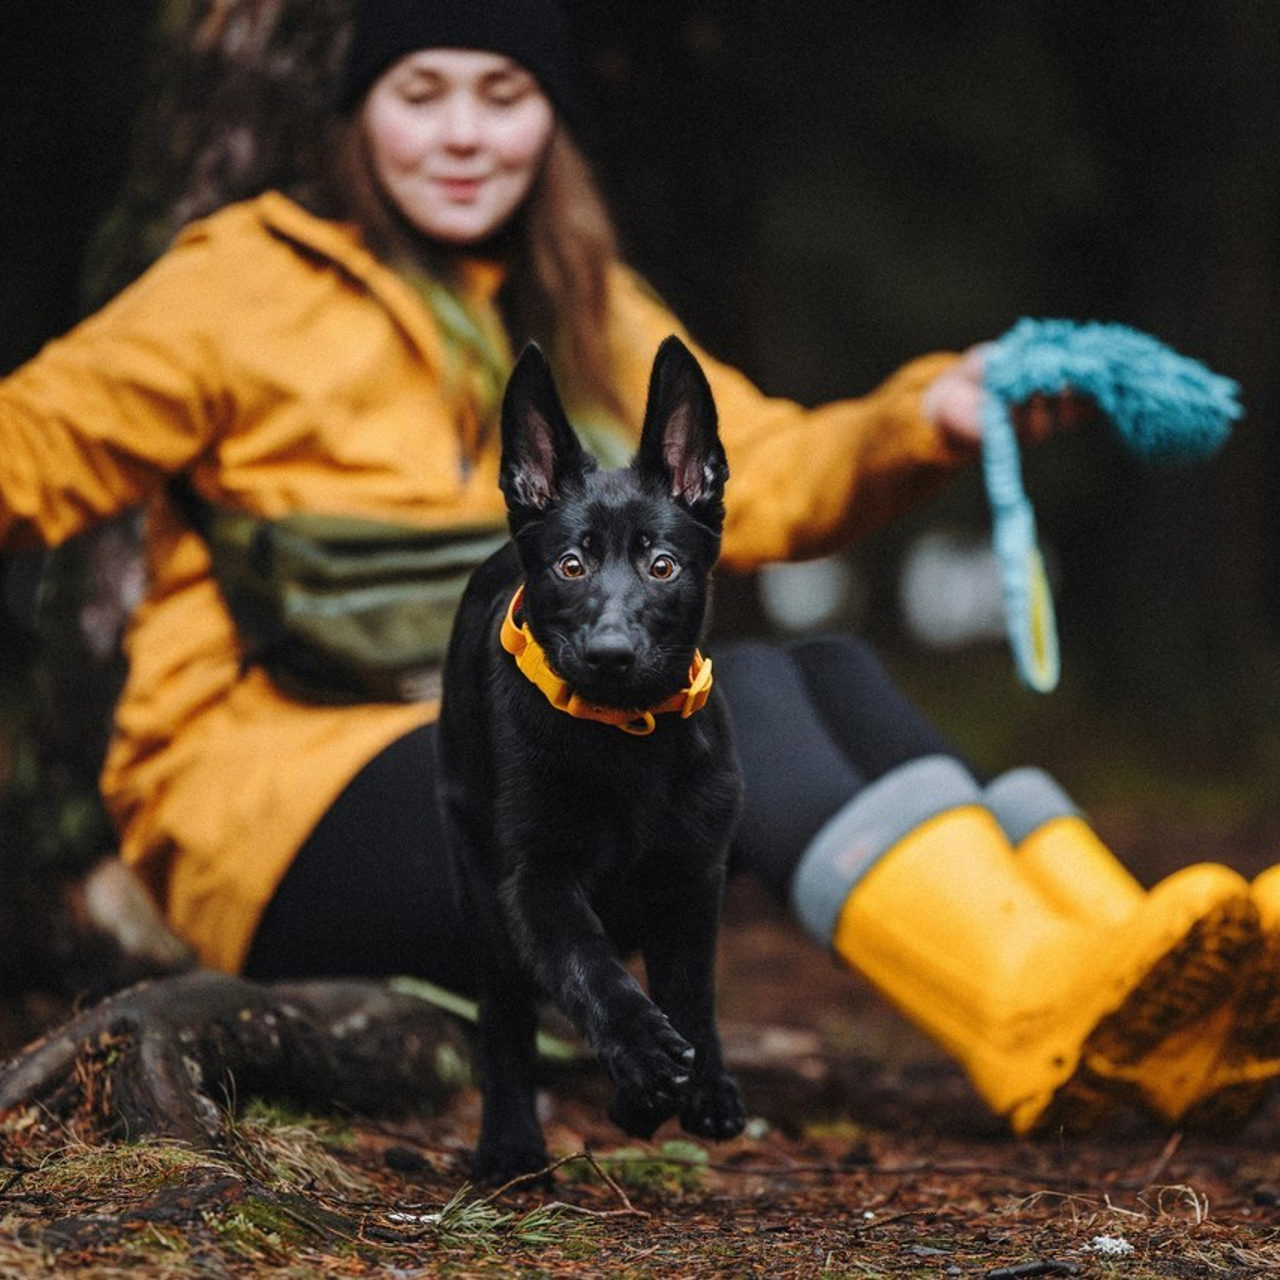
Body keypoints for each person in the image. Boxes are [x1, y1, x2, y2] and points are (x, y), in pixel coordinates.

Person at [0, 0, 1270, 1136]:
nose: (461, 134)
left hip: (541, 738)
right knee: (742, 698)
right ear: (356, 115)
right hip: (287, 805)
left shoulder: (583, 300)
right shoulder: (239, 286)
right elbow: (37, 437)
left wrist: (926, 413)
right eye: (419, 92)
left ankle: (1146, 980)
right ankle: (1033, 1011)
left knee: (826, 666)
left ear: (549, 119)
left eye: (502, 95)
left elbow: (765, 471)